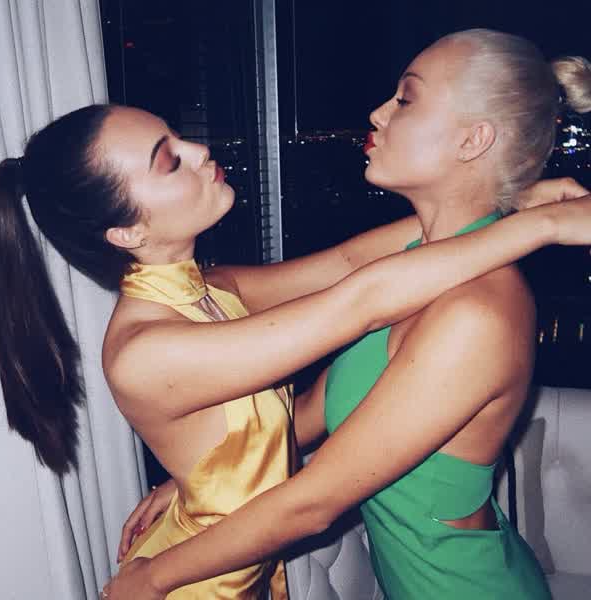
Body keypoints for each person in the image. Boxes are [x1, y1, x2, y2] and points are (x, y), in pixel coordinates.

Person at [101, 29, 591, 600]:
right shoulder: (419, 266)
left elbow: (314, 503)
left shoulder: (475, 314)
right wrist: (211, 480)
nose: (378, 113)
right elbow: (312, 407)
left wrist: (151, 577)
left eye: (405, 99)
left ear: (472, 140)